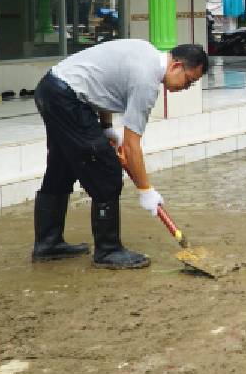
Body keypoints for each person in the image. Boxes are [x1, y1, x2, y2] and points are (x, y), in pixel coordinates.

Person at [32, 40, 207, 269]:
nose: (186, 87)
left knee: (62, 166)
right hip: (67, 99)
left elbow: (103, 88)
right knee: (106, 171)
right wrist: (146, 191)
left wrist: (105, 126)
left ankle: (48, 243)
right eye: (189, 81)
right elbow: (132, 147)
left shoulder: (145, 51)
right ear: (177, 66)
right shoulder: (147, 82)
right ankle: (108, 251)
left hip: (51, 89)